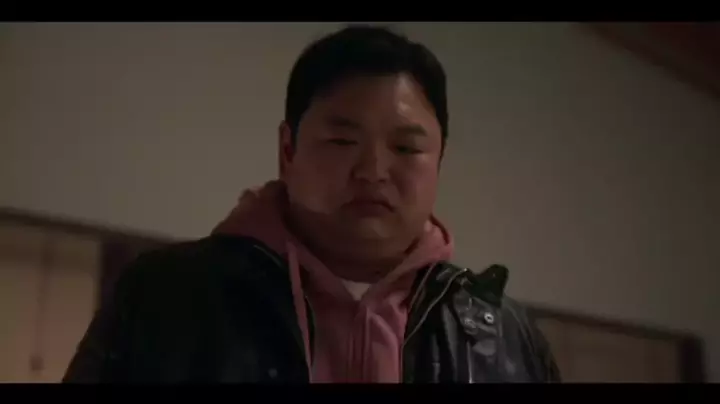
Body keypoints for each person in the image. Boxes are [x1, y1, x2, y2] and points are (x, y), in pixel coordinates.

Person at [63, 24, 560, 383]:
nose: (373, 171)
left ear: (440, 161)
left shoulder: (501, 336)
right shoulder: (168, 297)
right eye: (343, 141)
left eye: (406, 148)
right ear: (288, 150)